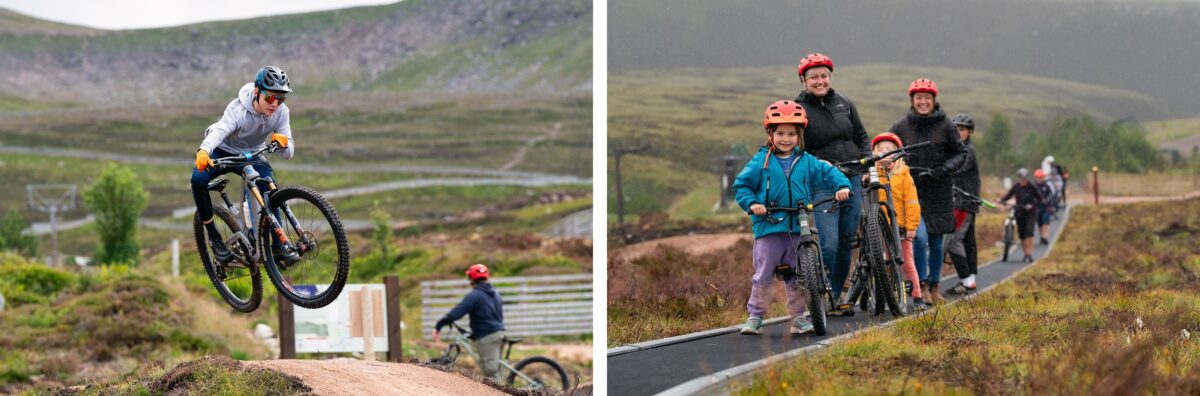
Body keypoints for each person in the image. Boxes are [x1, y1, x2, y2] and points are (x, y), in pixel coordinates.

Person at [734, 100, 851, 335]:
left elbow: (828, 172)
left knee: (798, 277)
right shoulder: (761, 161)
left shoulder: (806, 161)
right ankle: (755, 316)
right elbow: (742, 186)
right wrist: (753, 203)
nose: (785, 139)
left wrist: (842, 185)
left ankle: (798, 318)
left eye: (791, 134)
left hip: (799, 226)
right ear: (770, 134)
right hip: (769, 227)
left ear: (799, 136)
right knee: (763, 275)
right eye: (780, 133)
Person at [193, 66, 298, 265]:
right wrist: (204, 150)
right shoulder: (238, 110)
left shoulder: (282, 112)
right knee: (198, 180)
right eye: (269, 97)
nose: (275, 104)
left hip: (251, 152)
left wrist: (285, 142)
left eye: (281, 98)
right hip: (222, 150)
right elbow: (220, 130)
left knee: (268, 187)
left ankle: (278, 244)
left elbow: (288, 154)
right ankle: (214, 238)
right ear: (257, 92)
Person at [792, 53, 871, 316]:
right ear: (804, 80)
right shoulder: (798, 109)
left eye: (824, 76)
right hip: (823, 182)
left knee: (848, 239)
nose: (820, 81)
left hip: (853, 176)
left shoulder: (844, 104)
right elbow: (793, 147)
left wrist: (868, 163)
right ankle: (818, 294)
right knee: (828, 242)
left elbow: (861, 136)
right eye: (814, 77)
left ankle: (836, 295)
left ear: (830, 77)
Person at [889, 79, 968, 304]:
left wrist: (943, 169)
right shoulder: (900, 127)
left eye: (927, 98)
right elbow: (889, 153)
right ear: (912, 100)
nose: (923, 102)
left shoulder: (947, 126)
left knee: (936, 242)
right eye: (919, 98)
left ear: (934, 100)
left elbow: (960, 154)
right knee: (919, 239)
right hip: (910, 193)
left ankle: (934, 287)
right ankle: (920, 286)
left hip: (940, 191)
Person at [870, 132, 930, 311]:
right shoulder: (873, 175)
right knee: (883, 261)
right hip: (880, 227)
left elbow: (912, 203)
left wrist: (912, 227)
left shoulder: (904, 175)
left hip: (900, 227)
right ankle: (887, 293)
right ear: (875, 153)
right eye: (882, 149)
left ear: (898, 154)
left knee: (906, 261)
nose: (886, 153)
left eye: (890, 149)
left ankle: (917, 296)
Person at [433, 264, 506, 381]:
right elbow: (496, 316)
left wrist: (440, 325)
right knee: (494, 370)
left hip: (487, 337)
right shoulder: (495, 294)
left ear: (471, 279)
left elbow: (458, 311)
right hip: (499, 334)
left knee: (491, 373)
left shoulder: (475, 295)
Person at [946, 113, 981, 295]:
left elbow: (958, 168)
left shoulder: (966, 150)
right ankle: (970, 280)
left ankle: (967, 282)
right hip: (966, 201)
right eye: (955, 129)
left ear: (969, 132)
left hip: (963, 202)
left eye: (962, 129)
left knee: (953, 241)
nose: (958, 132)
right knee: (968, 241)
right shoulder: (959, 148)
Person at [998, 168, 1044, 262]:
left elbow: (1040, 198)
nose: (1022, 180)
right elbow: (1008, 195)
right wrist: (1002, 201)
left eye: (1024, 178)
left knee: (1029, 232)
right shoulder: (1016, 186)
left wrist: (1032, 205)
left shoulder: (1032, 186)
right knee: (1022, 234)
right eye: (1021, 178)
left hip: (1031, 212)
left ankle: (1029, 254)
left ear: (1027, 178)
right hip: (1019, 212)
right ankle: (1025, 253)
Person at [1034, 169, 1056, 245]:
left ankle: (1045, 237)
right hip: (1037, 207)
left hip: (1046, 206)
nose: (1039, 179)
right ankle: (1042, 236)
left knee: (1045, 221)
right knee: (1040, 222)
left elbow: (1052, 194)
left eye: (1041, 177)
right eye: (1038, 177)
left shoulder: (1047, 185)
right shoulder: (1033, 186)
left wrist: (1047, 200)